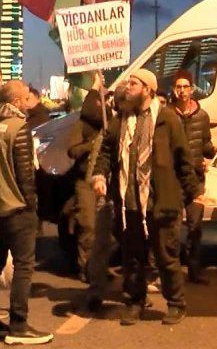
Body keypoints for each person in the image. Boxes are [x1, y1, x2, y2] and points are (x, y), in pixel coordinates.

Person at [90, 71, 198, 326]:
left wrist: (191, 193)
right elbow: (107, 150)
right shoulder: (122, 118)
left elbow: (183, 157)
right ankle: (134, 302)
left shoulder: (167, 119)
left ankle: (176, 304)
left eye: (134, 83)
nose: (128, 86)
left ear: (147, 89)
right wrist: (99, 175)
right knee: (132, 257)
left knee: (166, 256)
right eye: (128, 82)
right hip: (129, 202)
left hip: (160, 200)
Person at [0, 81, 53, 343]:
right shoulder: (18, 127)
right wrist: (32, 206)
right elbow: (25, 173)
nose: (30, 102)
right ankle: (19, 325)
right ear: (16, 102)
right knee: (23, 266)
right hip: (16, 208)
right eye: (27, 97)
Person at [67, 74, 111, 286]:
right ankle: (85, 268)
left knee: (106, 229)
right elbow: (72, 151)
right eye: (99, 101)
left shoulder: (110, 125)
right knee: (87, 225)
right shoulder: (82, 125)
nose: (103, 105)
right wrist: (92, 145)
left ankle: (100, 267)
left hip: (106, 180)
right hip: (85, 180)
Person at [171, 70, 215, 284]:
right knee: (172, 227)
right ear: (174, 90)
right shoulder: (167, 115)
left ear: (192, 89)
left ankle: (194, 270)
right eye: (178, 87)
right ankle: (172, 273)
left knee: (195, 227)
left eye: (185, 86)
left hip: (196, 180)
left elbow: (205, 144)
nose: (182, 91)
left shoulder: (202, 116)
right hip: (174, 179)